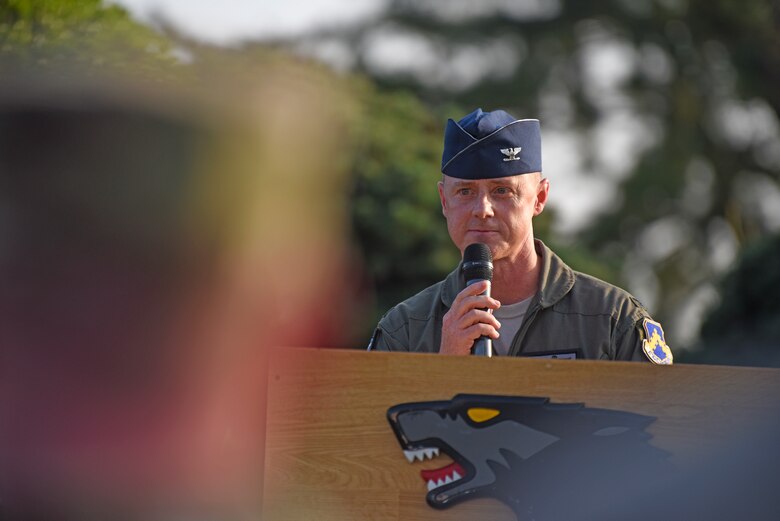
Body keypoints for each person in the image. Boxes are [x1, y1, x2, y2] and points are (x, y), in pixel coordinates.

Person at [368, 108, 672, 364]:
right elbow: (370, 432)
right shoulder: (405, 331)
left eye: (502, 191)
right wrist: (446, 368)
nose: (482, 209)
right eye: (465, 192)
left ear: (539, 198)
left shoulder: (610, 319)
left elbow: (667, 425)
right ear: (444, 201)